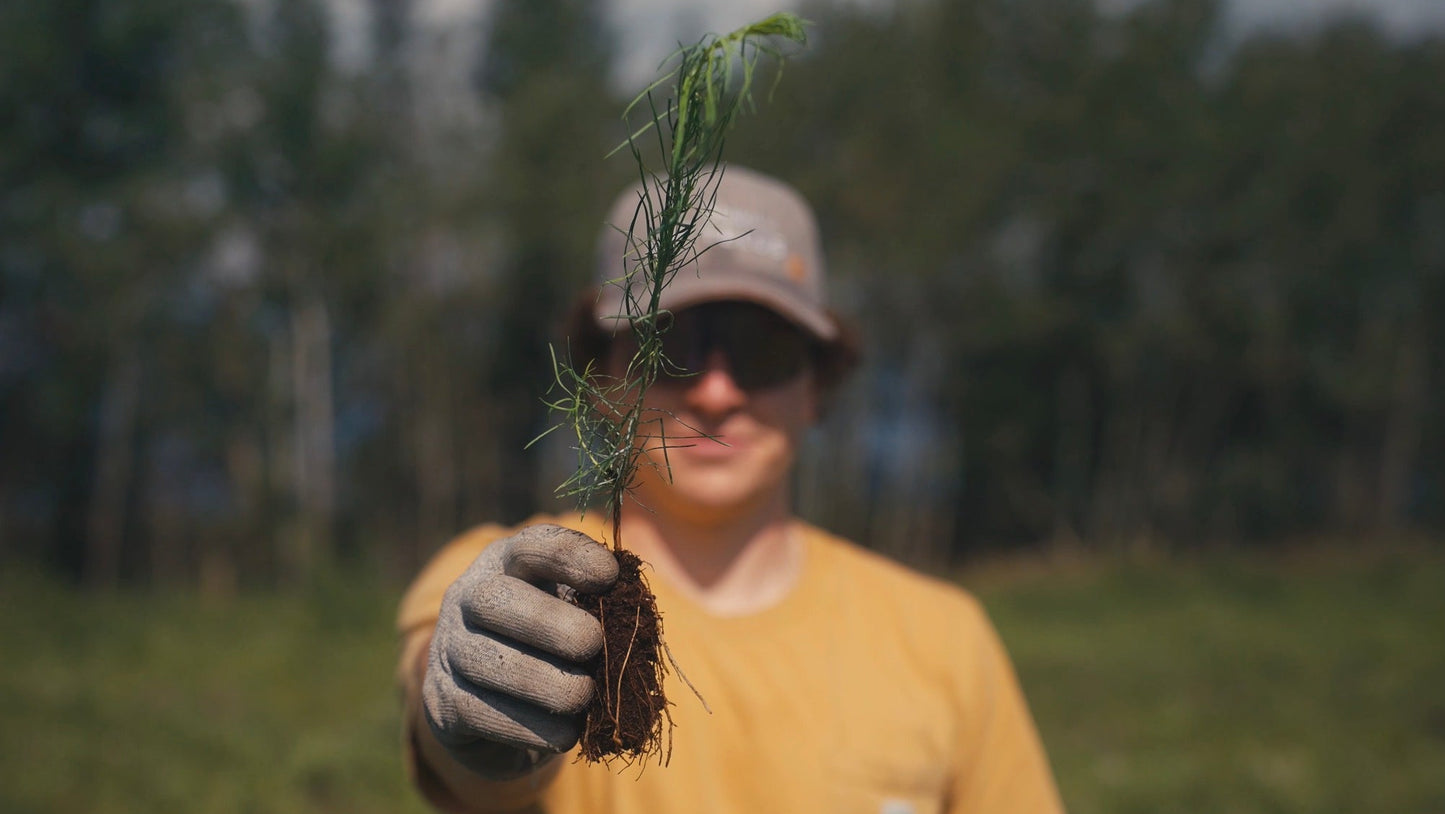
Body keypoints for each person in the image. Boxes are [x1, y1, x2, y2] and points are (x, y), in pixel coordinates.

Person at [395, 166, 1065, 814]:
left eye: (761, 349)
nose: (717, 392)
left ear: (817, 384)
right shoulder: (516, 575)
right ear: (603, 379)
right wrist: (475, 726)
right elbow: (456, 744)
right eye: (671, 347)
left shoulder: (943, 639)